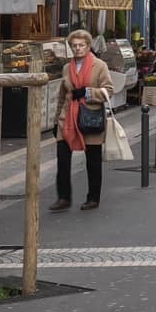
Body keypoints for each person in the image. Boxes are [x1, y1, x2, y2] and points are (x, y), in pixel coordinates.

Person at [53, 29, 114, 212]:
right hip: (68, 118)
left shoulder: (99, 65)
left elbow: (108, 90)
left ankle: (93, 197)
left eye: (81, 45)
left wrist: (87, 92)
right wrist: (57, 119)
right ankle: (64, 197)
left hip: (90, 116)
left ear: (88, 46)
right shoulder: (66, 68)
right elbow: (62, 95)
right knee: (62, 158)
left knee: (93, 160)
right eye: (74, 45)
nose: (77, 49)